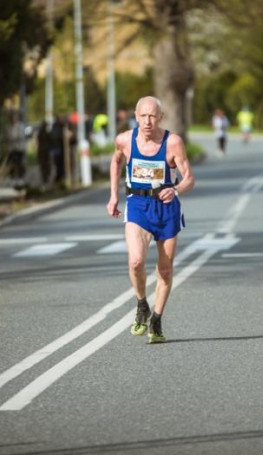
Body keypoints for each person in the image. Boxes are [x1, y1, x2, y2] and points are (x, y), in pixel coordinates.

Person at [107, 96, 196, 344]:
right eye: (143, 115)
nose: (147, 121)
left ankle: (156, 320)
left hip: (166, 208)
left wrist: (176, 188)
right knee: (136, 261)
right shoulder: (124, 140)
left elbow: (189, 178)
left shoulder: (173, 143)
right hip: (137, 204)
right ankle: (141, 303)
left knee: (165, 269)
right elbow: (115, 162)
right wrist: (114, 196)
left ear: (160, 117)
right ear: (136, 116)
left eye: (152, 116)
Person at [6, 112, 27, 187]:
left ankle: (20, 179)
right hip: (12, 149)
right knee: (12, 164)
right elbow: (8, 138)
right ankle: (13, 178)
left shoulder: (20, 126)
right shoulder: (9, 127)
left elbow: (21, 136)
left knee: (20, 164)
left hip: (19, 148)